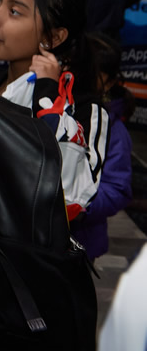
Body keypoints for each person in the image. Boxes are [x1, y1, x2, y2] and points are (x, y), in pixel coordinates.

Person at [0, 0, 109, 220]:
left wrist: (47, 95)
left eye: (14, 12)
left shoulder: (84, 108)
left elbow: (70, 197)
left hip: (23, 252)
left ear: (53, 37)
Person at [69, 33, 133, 260]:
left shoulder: (114, 130)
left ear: (109, 82)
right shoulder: (57, 108)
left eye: (91, 72)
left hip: (80, 243)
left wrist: (77, 207)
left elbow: (117, 189)